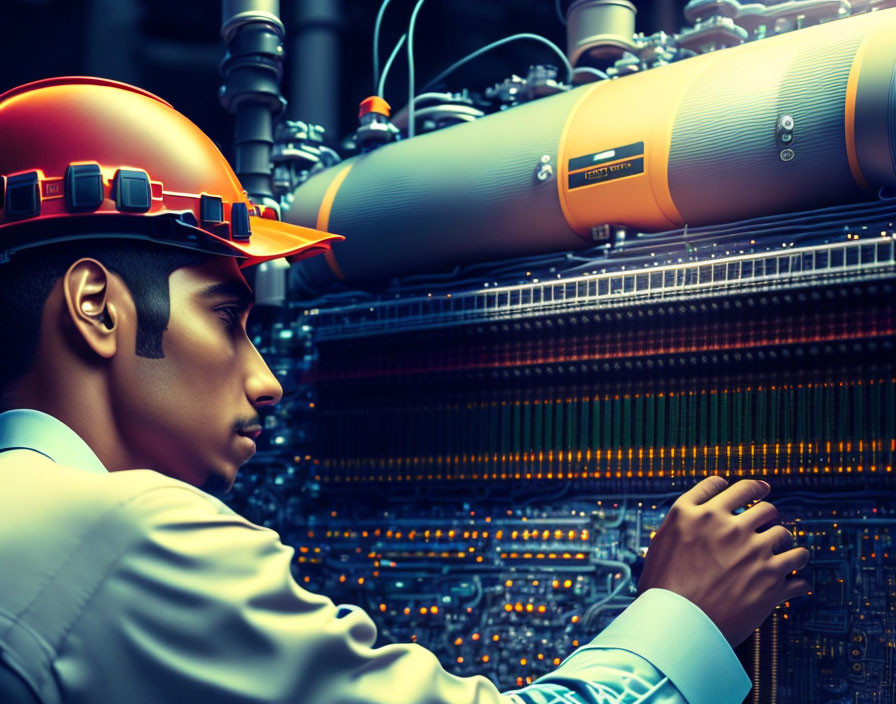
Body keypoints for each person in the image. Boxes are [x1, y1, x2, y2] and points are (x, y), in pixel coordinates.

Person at [0, 77, 810, 704]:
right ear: (96, 307)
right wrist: (685, 616)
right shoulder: (122, 532)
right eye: (226, 318)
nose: (268, 380)